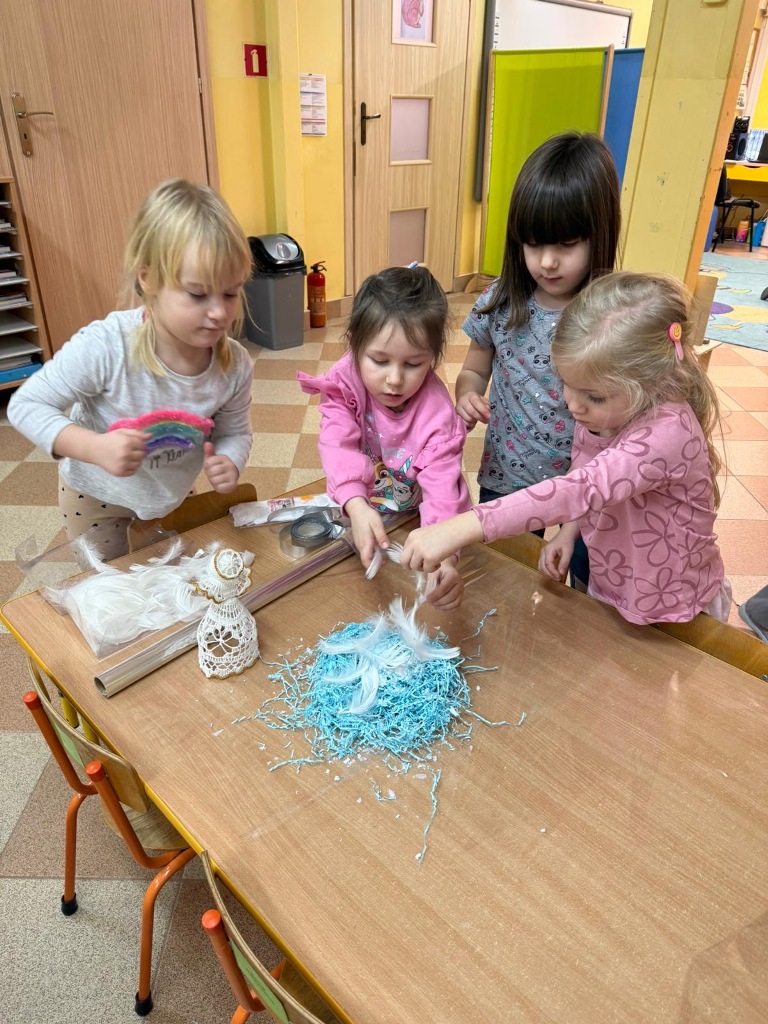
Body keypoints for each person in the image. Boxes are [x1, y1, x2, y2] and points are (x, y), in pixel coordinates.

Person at [401, 272, 732, 627]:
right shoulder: (605, 411)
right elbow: (586, 465)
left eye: (594, 396)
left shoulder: (666, 433)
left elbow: (582, 488)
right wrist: (570, 531)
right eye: (565, 383)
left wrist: (458, 528)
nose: (572, 404)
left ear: (651, 384)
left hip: (675, 605)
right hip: (616, 586)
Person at [8, 178, 254, 556]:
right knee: (115, 584)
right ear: (148, 279)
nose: (219, 312)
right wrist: (95, 447)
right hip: (97, 500)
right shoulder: (107, 346)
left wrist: (230, 459)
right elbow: (26, 406)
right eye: (197, 293)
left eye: (230, 292)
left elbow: (234, 431)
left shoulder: (233, 363)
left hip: (171, 494)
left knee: (170, 577)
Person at [455, 131, 621, 586]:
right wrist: (467, 394)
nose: (547, 261)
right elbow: (473, 369)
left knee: (582, 588)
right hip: (507, 474)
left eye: (566, 244)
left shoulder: (610, 316)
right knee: (501, 577)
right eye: (533, 244)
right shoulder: (500, 300)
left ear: (600, 234)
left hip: (585, 485)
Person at [297, 265, 471, 611]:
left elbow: (442, 491)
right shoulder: (344, 383)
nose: (394, 379)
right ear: (354, 345)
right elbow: (336, 444)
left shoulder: (437, 415)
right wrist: (356, 504)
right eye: (379, 360)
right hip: (360, 507)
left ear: (433, 358)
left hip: (417, 520)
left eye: (413, 364)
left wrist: (444, 557)